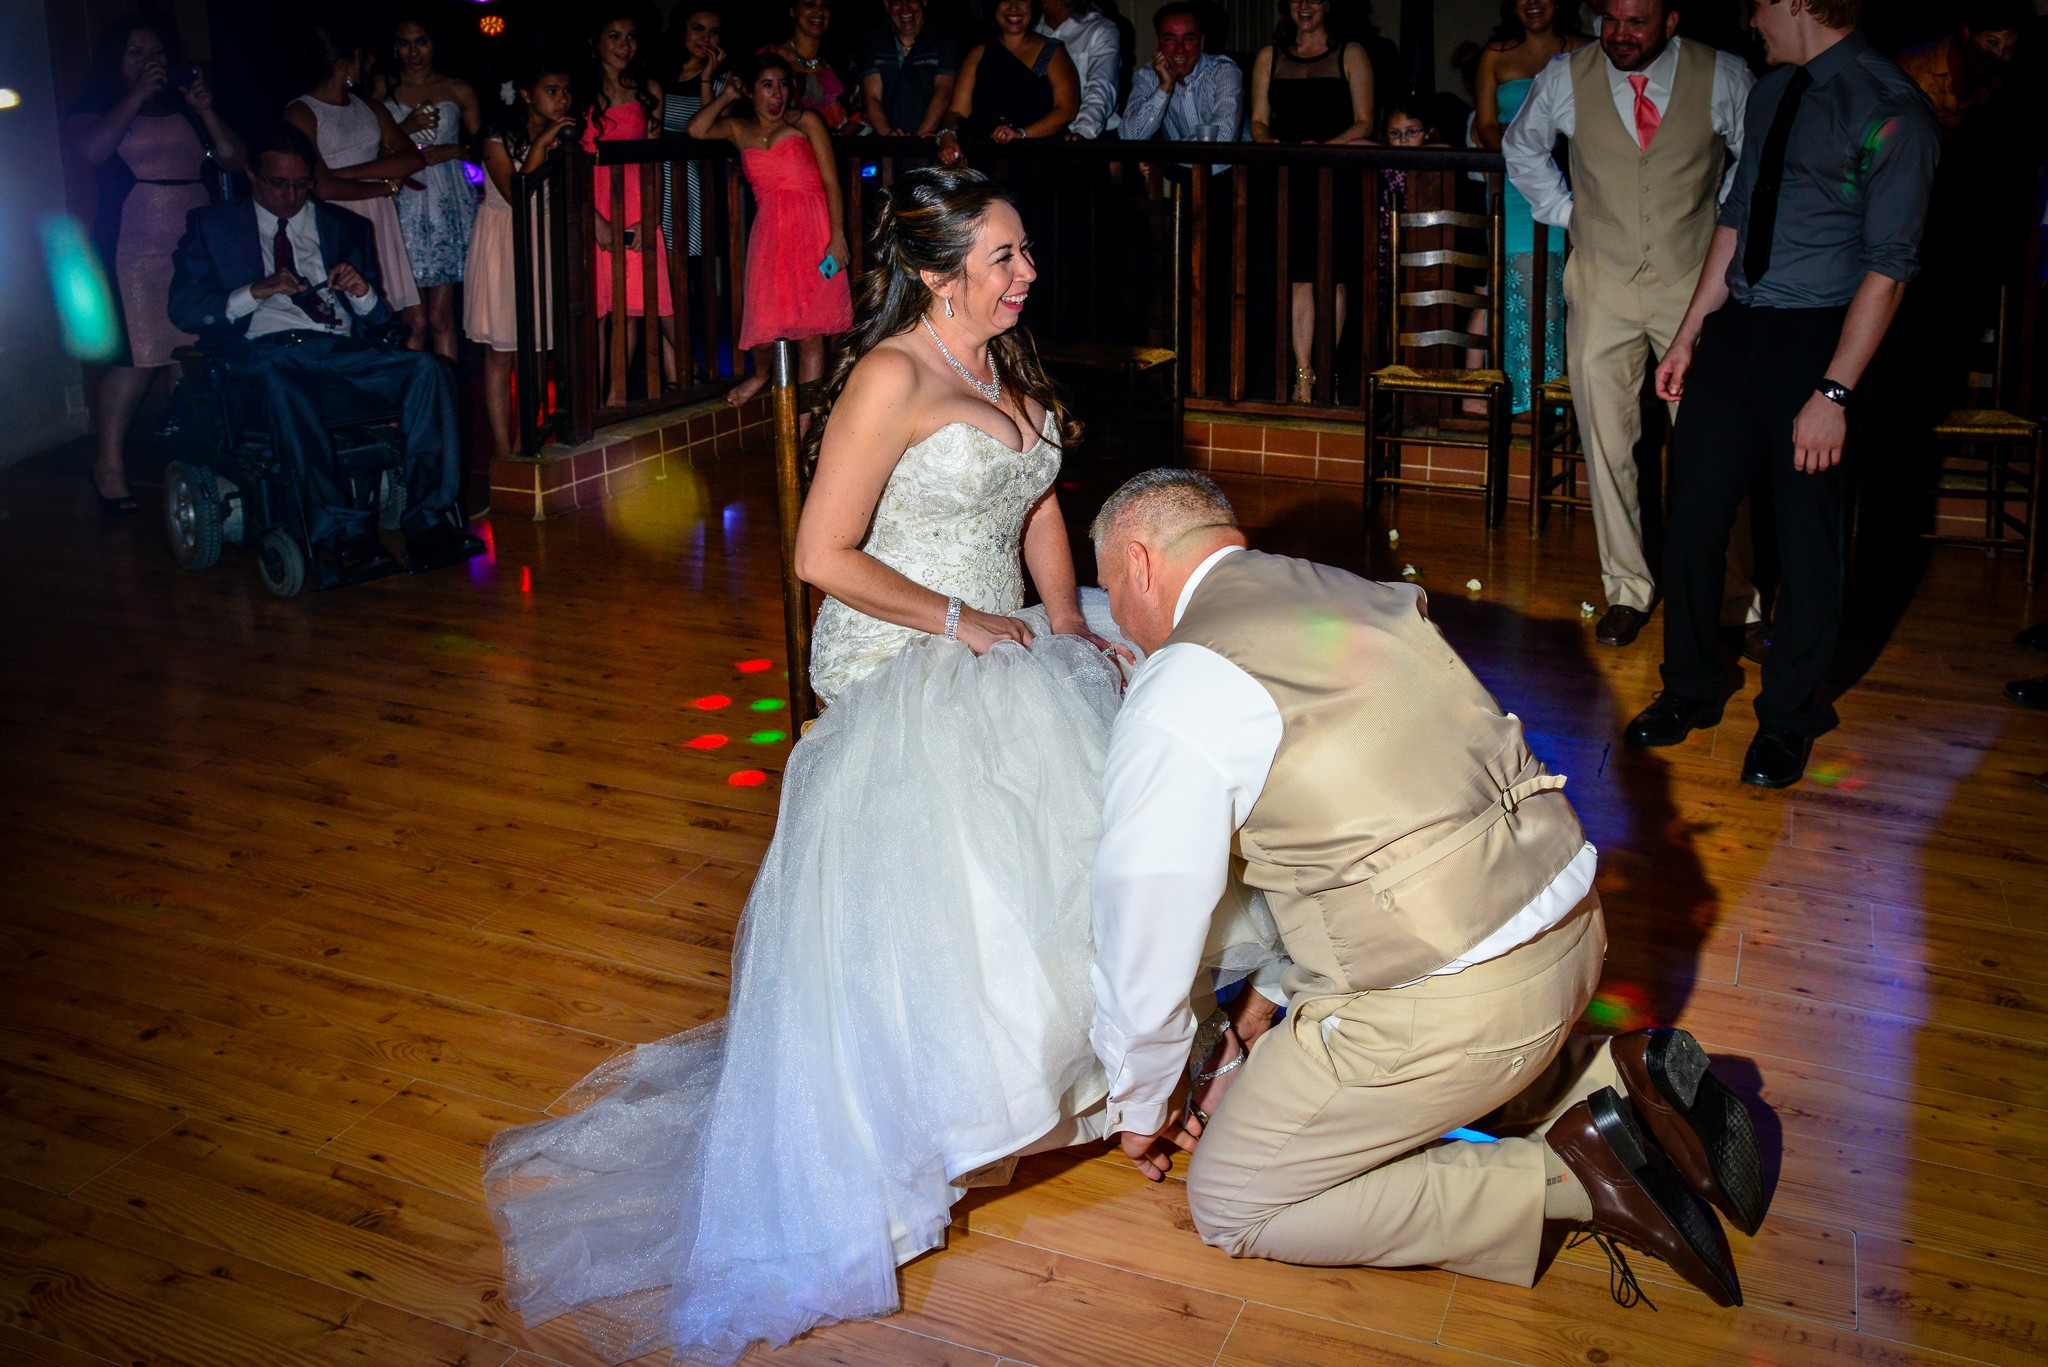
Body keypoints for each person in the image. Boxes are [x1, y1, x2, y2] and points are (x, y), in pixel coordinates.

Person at [483, 167, 1254, 1365]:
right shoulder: (890, 374)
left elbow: (1036, 500)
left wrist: (1064, 624)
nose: (1025, 274)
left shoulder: (1009, 361)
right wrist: (963, 623)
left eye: (1022, 253)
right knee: (955, 868)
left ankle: (1068, 1092)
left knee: (1072, 833)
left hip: (1003, 629)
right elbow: (817, 553)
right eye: (1003, 258)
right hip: (905, 648)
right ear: (940, 272)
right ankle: (926, 1125)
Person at [1086, 468, 1769, 1308]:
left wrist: (1142, 1100)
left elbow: (1144, 917)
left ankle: (1573, 1177)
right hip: (1574, 933)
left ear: (1140, 561)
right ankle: (1610, 1085)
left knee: (1234, 1199)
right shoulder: (1349, 595)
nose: (1124, 625)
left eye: (1114, 594)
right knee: (1398, 1084)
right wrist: (1265, 1002)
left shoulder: (1183, 685)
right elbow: (1356, 819)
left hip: (1458, 1004)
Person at [1626, 0, 1939, 787]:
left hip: (1820, 344)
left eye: (1758, 1)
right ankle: (1690, 688)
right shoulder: (1771, 92)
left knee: (1807, 543)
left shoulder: (1893, 110)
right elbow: (1734, 219)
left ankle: (1790, 718)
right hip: (1736, 337)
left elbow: (1890, 267)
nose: (1749, 16)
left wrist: (1833, 390)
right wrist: (1693, 332)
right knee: (1693, 515)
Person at [1501, 0, 1759, 651]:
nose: (1618, 34)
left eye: (1636, 21)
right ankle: (1627, 589)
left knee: (1714, 444)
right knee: (1608, 443)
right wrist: (1568, 213)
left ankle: (1737, 600)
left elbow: (1756, 162)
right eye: (1610, 20)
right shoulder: (1566, 76)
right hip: (1602, 286)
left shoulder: (1724, 75)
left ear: (1672, 20)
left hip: (1693, 286)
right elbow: (1521, 145)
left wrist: (1722, 225)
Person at [167, 124, 467, 572]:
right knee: (287, 386)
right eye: (278, 183)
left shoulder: (344, 226)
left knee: (430, 371)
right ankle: (344, 533)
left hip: (338, 350)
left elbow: (377, 320)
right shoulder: (213, 227)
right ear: (251, 174)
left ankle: (427, 520)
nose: (291, 196)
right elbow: (184, 308)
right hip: (263, 353)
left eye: (302, 184)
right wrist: (255, 291)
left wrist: (364, 292)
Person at [64, 12, 246, 513]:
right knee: (138, 355)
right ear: (115, 61)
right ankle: (108, 466)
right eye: (136, 53)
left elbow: (233, 158)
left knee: (189, 354)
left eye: (157, 53)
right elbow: (91, 151)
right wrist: (136, 96)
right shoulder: (98, 106)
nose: (149, 62)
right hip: (133, 242)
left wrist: (205, 110)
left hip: (192, 241)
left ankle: (189, 464)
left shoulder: (185, 106)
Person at [687, 54, 852, 408]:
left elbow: (831, 182)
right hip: (771, 235)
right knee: (763, 329)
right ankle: (761, 375)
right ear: (750, 91)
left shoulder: (806, 121)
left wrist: (838, 236)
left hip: (814, 228)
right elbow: (696, 129)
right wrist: (723, 94)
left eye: (782, 85)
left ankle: (809, 425)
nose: (776, 94)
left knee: (812, 337)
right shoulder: (738, 128)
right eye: (766, 85)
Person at [1249, 0, 1375, 404]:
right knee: (1296, 278)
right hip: (1288, 179)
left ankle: (1329, 372)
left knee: (1333, 276)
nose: (1305, 5)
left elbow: (1365, 120)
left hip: (1335, 175)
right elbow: (1257, 121)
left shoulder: (1350, 53)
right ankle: (1303, 376)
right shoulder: (1270, 56)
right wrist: (1277, 146)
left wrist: (1321, 149)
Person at [285, 28, 446, 337]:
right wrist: (385, 186)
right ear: (344, 63)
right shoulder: (302, 111)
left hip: (379, 217)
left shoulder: (370, 107)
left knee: (410, 319)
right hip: (335, 220)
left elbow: (411, 159)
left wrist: (342, 172)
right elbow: (321, 187)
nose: (369, 64)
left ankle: (404, 383)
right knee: (347, 316)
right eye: (362, 59)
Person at [1474, 0, 1587, 413]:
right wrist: (1521, 149)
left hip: (1576, 187)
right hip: (1516, 193)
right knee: (1522, 293)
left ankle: (1566, 406)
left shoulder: (1587, 50)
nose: (1532, 3)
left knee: (1569, 295)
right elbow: (1485, 126)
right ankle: (1520, 407)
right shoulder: (1496, 56)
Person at [466, 64, 574, 460]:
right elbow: (517, 194)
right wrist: (543, 143)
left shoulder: (565, 136)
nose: (562, 99)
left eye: (566, 91)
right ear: (526, 94)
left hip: (543, 237)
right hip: (503, 239)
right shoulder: (497, 136)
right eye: (552, 90)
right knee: (500, 350)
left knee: (537, 349)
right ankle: (500, 447)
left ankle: (524, 440)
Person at [582, 10, 676, 388]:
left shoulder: (649, 89)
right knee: (594, 310)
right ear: (595, 42)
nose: (624, 46)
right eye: (614, 36)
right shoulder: (578, 91)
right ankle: (590, 402)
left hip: (636, 202)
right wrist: (593, 219)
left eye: (631, 37)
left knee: (630, 308)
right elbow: (567, 163)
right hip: (589, 202)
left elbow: (655, 162)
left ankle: (615, 399)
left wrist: (651, 216)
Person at [380, 15, 481, 362]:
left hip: (448, 201)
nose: (414, 51)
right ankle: (415, 402)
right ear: (395, 47)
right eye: (405, 43)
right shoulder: (383, 89)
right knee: (415, 320)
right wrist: (405, 128)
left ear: (434, 43)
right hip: (403, 200)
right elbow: (369, 149)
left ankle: (446, 403)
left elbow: (487, 144)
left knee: (441, 317)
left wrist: (457, 150)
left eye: (421, 41)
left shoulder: (457, 88)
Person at [937, 0, 1081, 162]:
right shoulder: (978, 54)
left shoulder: (1052, 52)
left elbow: (1066, 110)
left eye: (1022, 0)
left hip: (1040, 161)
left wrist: (1021, 134)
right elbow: (957, 112)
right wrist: (947, 134)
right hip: (988, 159)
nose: (1014, 7)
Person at [1894, 0, 2027, 139]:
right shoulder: (1910, 67)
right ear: (1967, 34)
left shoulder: (1999, 81)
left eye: (2010, 49)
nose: (1999, 56)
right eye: (1992, 42)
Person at [1119, 3, 1244, 145]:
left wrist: (1161, 155)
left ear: (1201, 42)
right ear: (1158, 42)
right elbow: (1129, 138)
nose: (1180, 49)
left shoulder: (1224, 72)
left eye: (1188, 39)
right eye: (1170, 39)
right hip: (1171, 165)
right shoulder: (1148, 75)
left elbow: (1223, 140)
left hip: (1219, 167)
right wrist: (1164, 88)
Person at [661, 10, 724, 275]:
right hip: (655, 176)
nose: (706, 38)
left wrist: (708, 77)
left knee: (693, 269)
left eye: (714, 31)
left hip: (697, 179)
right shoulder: (656, 70)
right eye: (698, 28)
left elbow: (707, 130)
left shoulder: (723, 80)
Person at [861, 0, 961, 138]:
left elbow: (944, 90)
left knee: (925, 160)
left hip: (930, 144)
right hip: (887, 147)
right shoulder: (874, 41)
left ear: (924, 1)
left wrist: (916, 141)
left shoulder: (945, 39)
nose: (905, 7)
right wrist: (888, 135)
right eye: (897, 1)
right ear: (886, 4)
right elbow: (872, 97)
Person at [766, 0, 857, 132]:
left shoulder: (843, 61)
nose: (819, 12)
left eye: (825, 5)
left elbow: (861, 115)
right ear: (792, 11)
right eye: (810, 4)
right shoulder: (770, 58)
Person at [1036, 0, 1120, 139]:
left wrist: (1083, 131)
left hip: (1089, 134)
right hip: (1039, 134)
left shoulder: (1099, 29)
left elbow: (1100, 87)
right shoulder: (1030, 31)